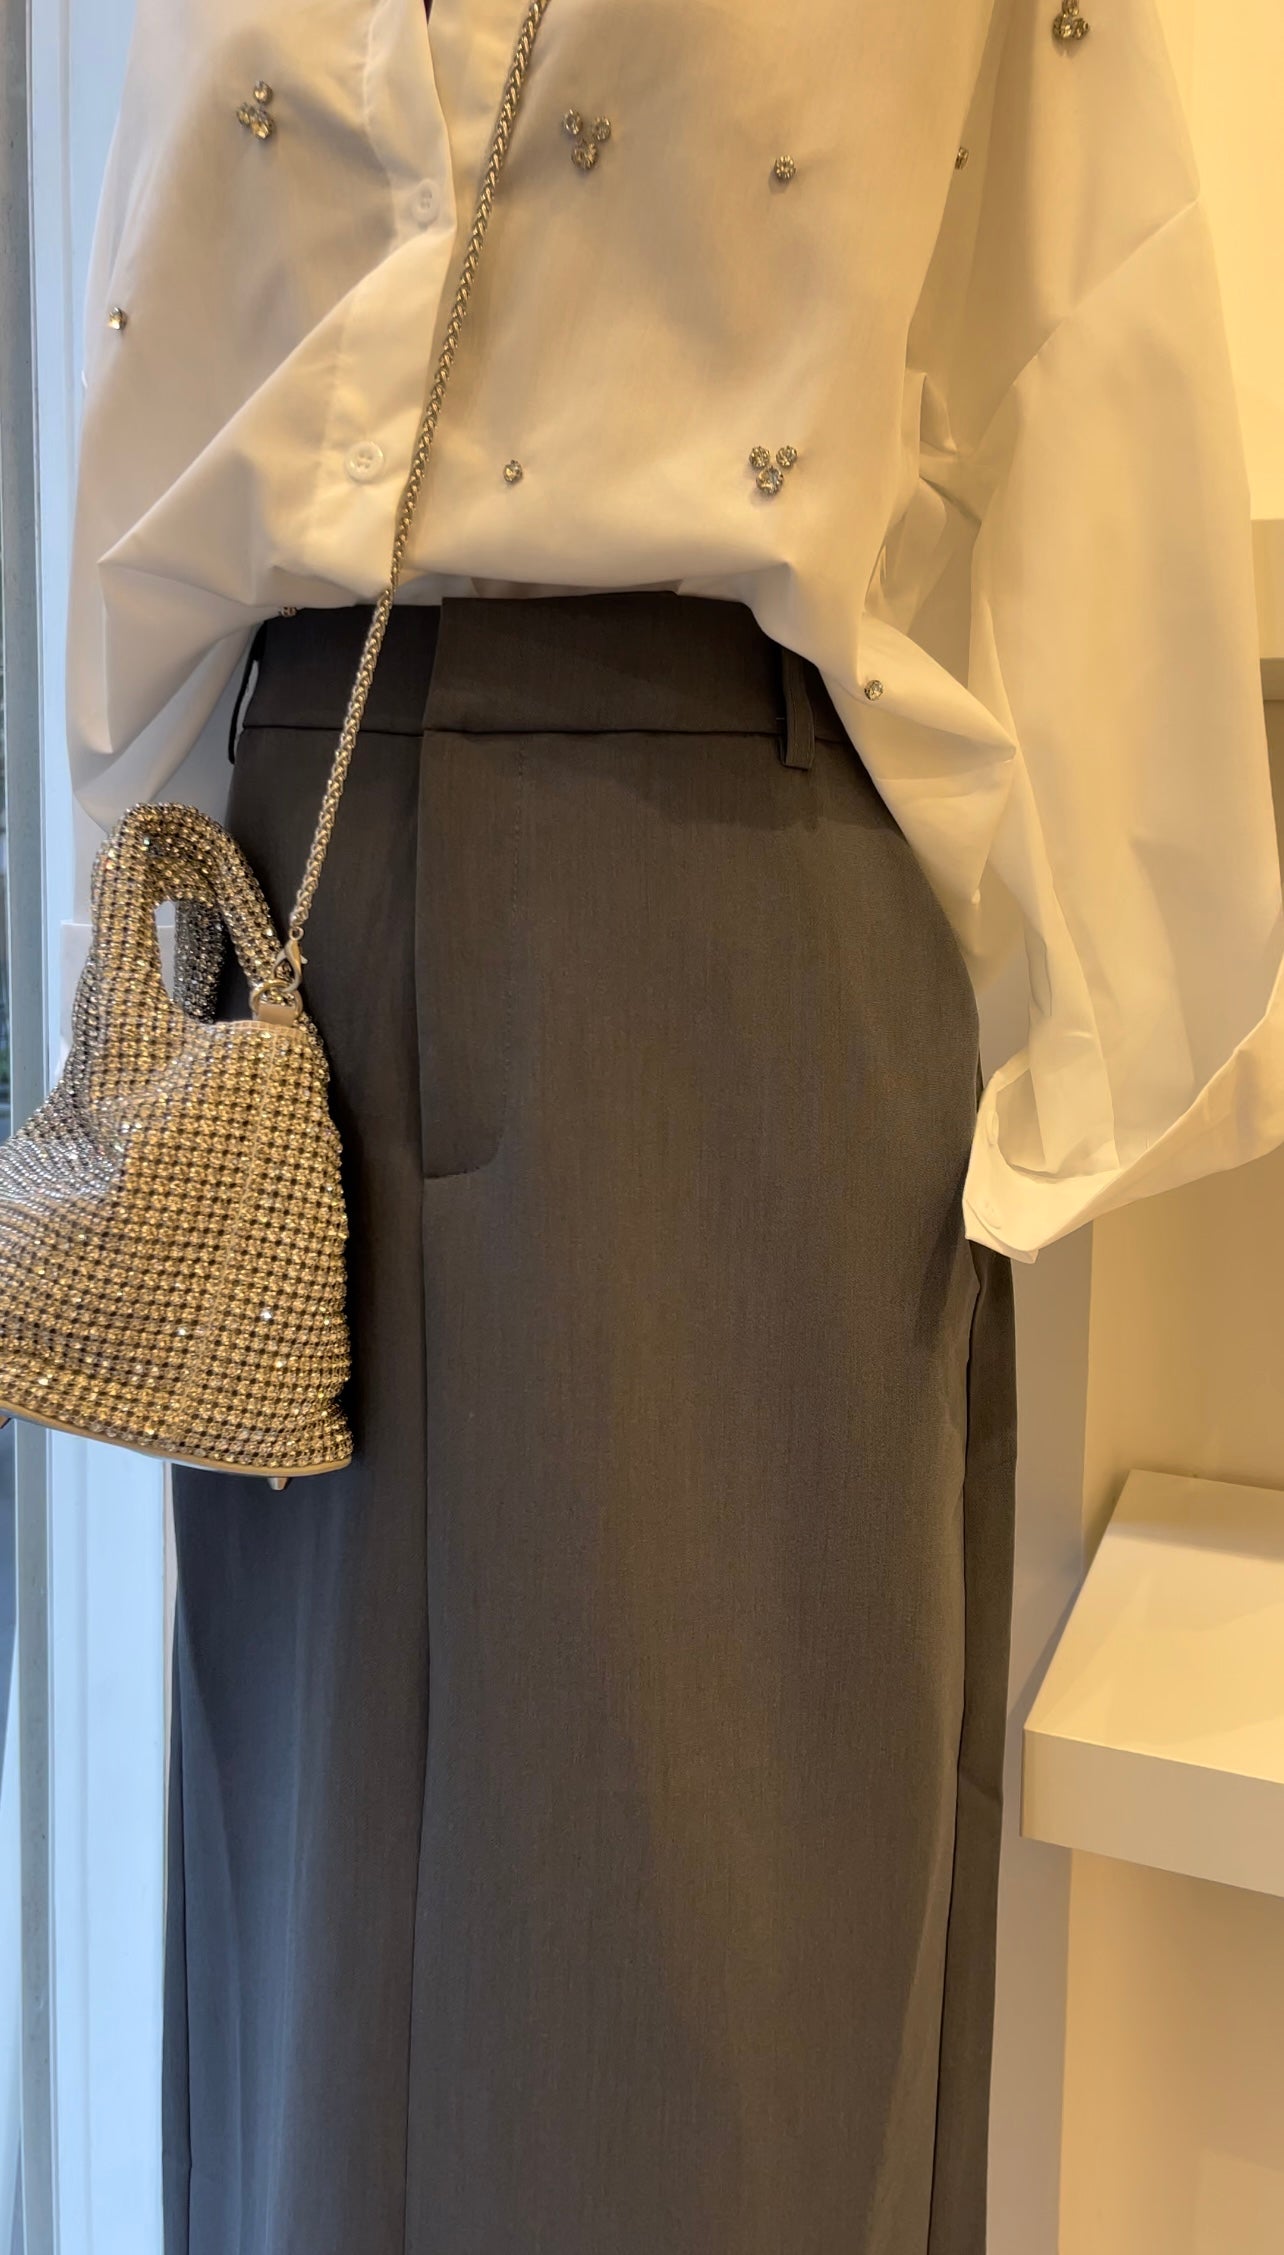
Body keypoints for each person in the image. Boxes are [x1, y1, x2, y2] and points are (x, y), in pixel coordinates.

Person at [66, 3, 1284, 2251]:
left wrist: (1107, 1007)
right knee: (315, 1946)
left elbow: (1076, 303)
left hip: (727, 876)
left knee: (725, 1954)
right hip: (311, 873)